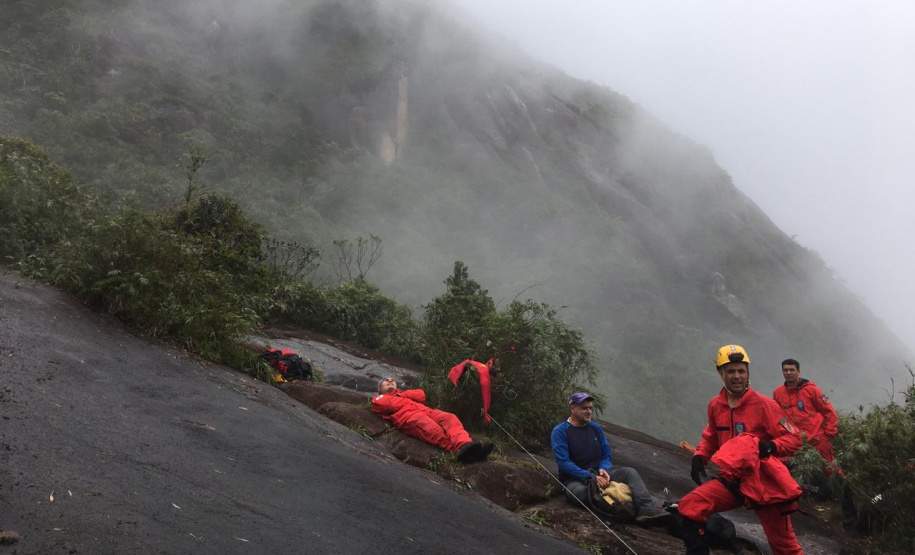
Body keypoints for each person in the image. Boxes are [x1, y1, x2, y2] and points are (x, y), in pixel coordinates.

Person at [679, 345, 804, 555]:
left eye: (741, 371)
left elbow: (794, 438)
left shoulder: (765, 405)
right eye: (731, 371)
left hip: (764, 482)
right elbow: (711, 436)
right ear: (721, 374)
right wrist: (699, 457)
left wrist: (771, 446)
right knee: (690, 507)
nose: (737, 376)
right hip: (732, 480)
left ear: (748, 373)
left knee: (784, 547)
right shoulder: (716, 405)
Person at [550, 392, 670, 523]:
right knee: (583, 494)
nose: (589, 411)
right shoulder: (560, 431)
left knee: (629, 472)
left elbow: (606, 455)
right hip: (576, 480)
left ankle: (646, 511)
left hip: (600, 476)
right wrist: (591, 477)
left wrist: (604, 469)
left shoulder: (595, 428)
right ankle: (623, 511)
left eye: (590, 408)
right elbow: (564, 463)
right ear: (573, 408)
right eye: (584, 408)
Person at [371, 377, 492, 463]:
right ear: (380, 389)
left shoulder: (403, 394)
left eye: (392, 380)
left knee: (450, 418)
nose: (390, 381)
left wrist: (400, 395)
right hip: (410, 417)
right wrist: (398, 396)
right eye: (386, 380)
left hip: (428, 411)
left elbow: (421, 395)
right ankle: (461, 453)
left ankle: (465, 444)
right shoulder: (378, 398)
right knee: (433, 430)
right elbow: (388, 405)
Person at [773, 358, 839, 464]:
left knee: (829, 469)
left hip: (818, 440)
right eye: (785, 370)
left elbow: (829, 411)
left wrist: (828, 435)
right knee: (795, 471)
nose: (788, 373)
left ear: (798, 371)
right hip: (793, 442)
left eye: (792, 370)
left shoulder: (811, 390)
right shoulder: (778, 393)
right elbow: (778, 417)